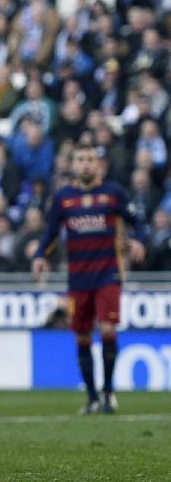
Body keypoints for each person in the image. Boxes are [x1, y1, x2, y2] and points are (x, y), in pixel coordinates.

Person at [32, 143, 146, 415]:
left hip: (108, 274)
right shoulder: (63, 198)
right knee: (82, 336)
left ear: (98, 165)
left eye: (90, 159)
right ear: (73, 165)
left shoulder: (113, 194)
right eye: (80, 159)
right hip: (78, 278)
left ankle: (108, 392)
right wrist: (39, 255)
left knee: (107, 329)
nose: (85, 164)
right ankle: (92, 397)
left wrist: (138, 241)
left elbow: (137, 222)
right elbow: (49, 234)